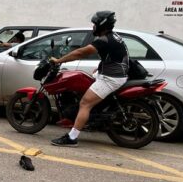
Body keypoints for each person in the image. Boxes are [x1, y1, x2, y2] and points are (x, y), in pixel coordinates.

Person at [49, 11, 129, 147]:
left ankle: (72, 138)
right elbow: (113, 56)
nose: (93, 27)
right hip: (111, 74)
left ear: (101, 25)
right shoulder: (114, 36)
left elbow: (79, 53)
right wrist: (100, 68)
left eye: (94, 24)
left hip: (111, 78)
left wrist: (59, 61)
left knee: (85, 104)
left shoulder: (103, 40)